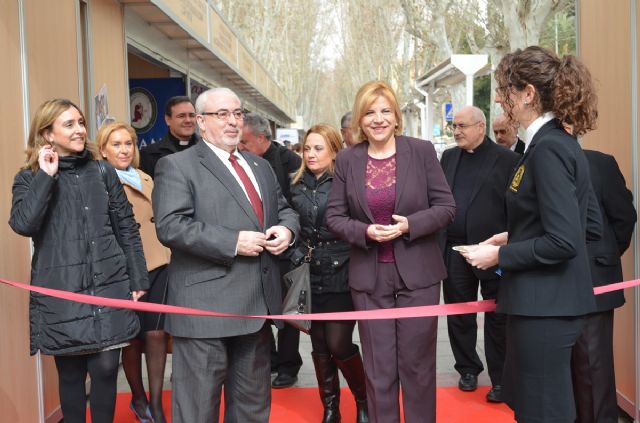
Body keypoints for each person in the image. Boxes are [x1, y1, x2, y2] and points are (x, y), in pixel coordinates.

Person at [461, 46, 602, 423]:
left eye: (505, 90)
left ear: (528, 93)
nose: (499, 99)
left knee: (544, 410)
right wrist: (512, 236)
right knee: (534, 406)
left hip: (546, 308)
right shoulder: (546, 144)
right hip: (542, 304)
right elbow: (565, 223)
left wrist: (499, 257)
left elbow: (565, 240)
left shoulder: (549, 149)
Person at [152, 87, 299, 423]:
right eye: (222, 114)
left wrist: (286, 231)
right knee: (197, 410)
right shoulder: (176, 165)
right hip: (205, 311)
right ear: (201, 122)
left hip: (256, 309)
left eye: (237, 113)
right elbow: (171, 226)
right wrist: (232, 242)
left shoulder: (258, 166)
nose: (233, 121)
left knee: (251, 409)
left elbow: (285, 210)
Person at [9, 99, 148, 423]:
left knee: (105, 369)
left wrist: (138, 278)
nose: (80, 129)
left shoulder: (101, 170)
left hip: (109, 284)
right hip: (62, 290)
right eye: (69, 124)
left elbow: (126, 226)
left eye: (81, 122)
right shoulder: (29, 178)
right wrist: (46, 176)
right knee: (70, 374)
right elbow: (23, 224)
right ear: (47, 133)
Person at [326, 80, 456, 423]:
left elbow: (446, 207)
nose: (378, 119)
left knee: (417, 366)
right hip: (370, 278)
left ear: (396, 116)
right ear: (359, 119)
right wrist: (365, 231)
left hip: (419, 276)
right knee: (379, 368)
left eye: (385, 111)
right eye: (369, 112)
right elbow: (334, 216)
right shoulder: (347, 160)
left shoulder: (422, 151)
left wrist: (409, 225)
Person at [440, 106, 519, 403]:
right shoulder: (448, 157)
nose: (457, 131)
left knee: (498, 317)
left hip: (492, 251)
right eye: (454, 126)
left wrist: (505, 245)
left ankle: (500, 378)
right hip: (455, 249)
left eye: (462, 125)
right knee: (459, 313)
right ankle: (468, 369)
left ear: (480, 126)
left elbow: (516, 205)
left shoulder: (507, 159)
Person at [290, 124, 368, 423]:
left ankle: (363, 400)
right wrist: (294, 251)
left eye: (318, 148)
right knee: (319, 344)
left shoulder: (346, 182)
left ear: (335, 150)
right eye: (307, 148)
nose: (310, 154)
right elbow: (288, 223)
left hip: (341, 271)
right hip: (307, 272)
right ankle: (331, 407)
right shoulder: (294, 184)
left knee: (338, 342)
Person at [97, 122, 172, 423]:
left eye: (129, 143)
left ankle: (156, 402)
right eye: (116, 144)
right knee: (132, 339)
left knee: (156, 333)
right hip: (125, 269)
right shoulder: (99, 181)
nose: (124, 149)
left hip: (160, 262)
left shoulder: (144, 177)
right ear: (102, 150)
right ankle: (139, 399)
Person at [572, 149, 636, 423]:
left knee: (593, 364)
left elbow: (623, 218)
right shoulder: (533, 162)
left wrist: (601, 258)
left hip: (594, 280)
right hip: (548, 282)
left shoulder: (600, 163)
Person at [240, 112, 304, 388]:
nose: (240, 146)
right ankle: (270, 360)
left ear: (261, 138)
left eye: (244, 141)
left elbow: (296, 206)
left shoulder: (291, 163)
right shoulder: (241, 163)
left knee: (288, 312)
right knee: (262, 309)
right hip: (255, 249)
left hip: (287, 248)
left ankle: (289, 365)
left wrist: (287, 232)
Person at [139, 96, 199, 178]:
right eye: (181, 116)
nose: (188, 120)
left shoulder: (208, 149)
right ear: (168, 120)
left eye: (192, 115)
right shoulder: (149, 155)